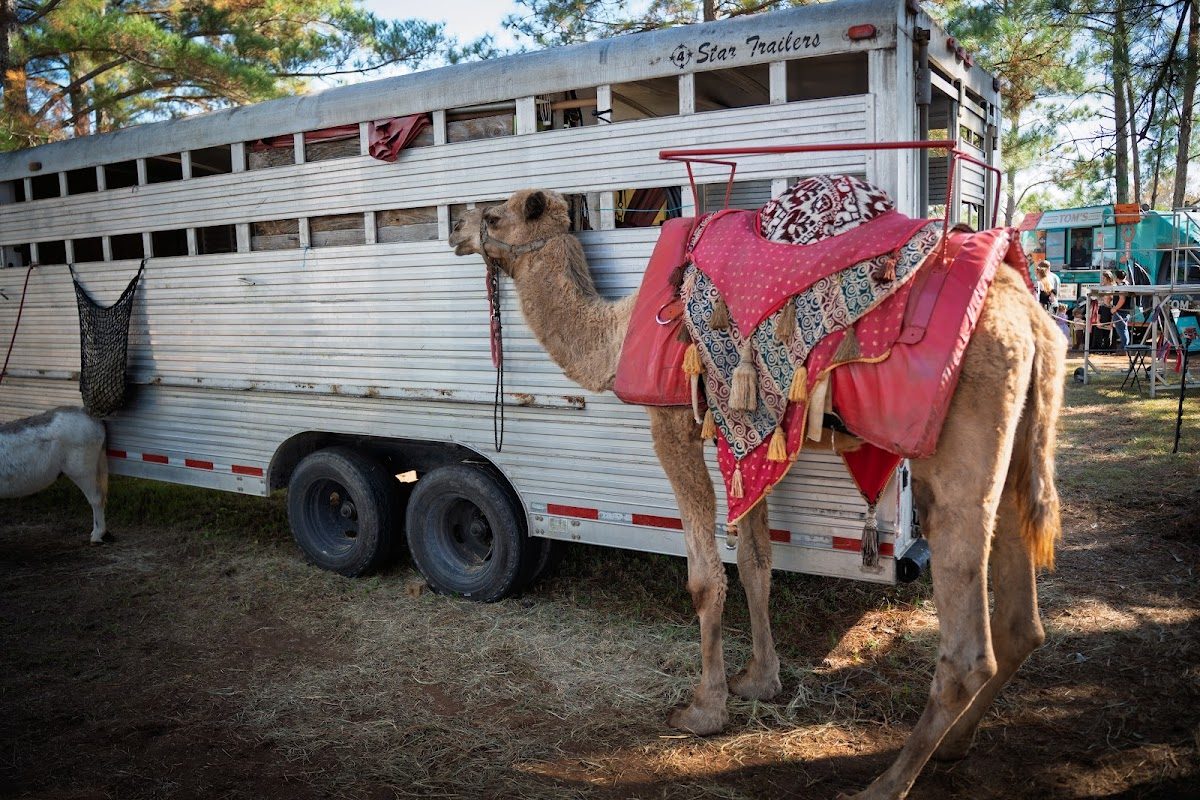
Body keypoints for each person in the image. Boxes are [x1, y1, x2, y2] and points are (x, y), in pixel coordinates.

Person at [1111, 268, 1131, 349]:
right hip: (1125, 311)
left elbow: (1122, 299)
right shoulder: (1127, 285)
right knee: (1124, 329)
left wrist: (1115, 308)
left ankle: (1124, 347)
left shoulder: (1121, 286)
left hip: (1120, 311)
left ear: (1116, 277)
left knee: (1121, 330)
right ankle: (1125, 347)